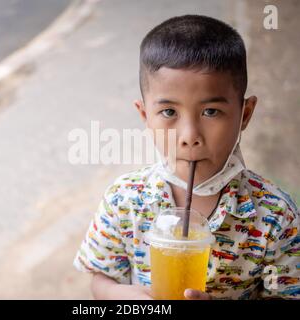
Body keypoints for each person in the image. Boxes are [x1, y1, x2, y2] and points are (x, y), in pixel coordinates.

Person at [73, 15, 299, 300]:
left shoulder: (276, 216)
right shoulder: (123, 200)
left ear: (245, 114)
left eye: (211, 112)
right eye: (169, 112)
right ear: (145, 115)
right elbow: (101, 280)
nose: (189, 135)